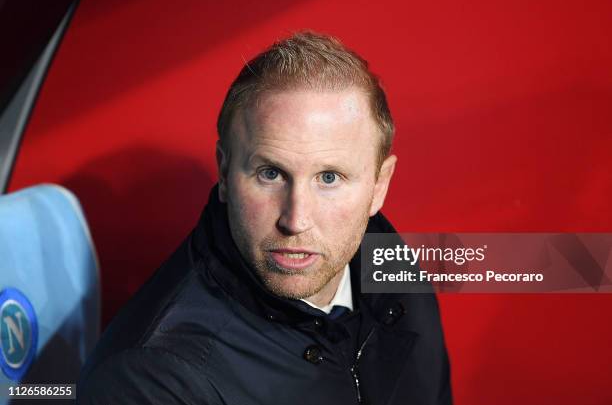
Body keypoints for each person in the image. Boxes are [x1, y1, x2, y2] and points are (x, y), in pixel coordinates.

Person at [77, 32, 452, 405]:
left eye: (329, 178)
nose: (296, 220)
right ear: (224, 173)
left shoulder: (384, 255)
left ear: (378, 186)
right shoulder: (148, 381)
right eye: (270, 174)